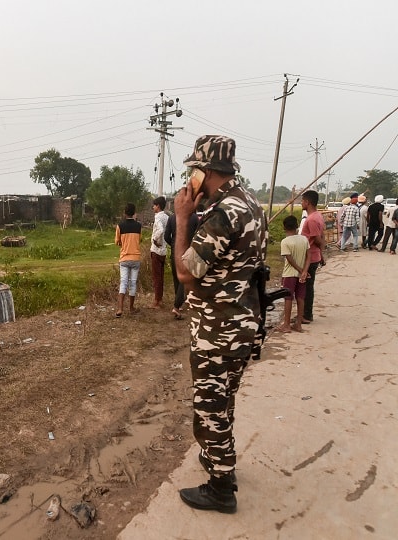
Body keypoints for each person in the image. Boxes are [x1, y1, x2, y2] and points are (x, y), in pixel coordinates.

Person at [173, 135, 267, 514]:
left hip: (218, 329)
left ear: (204, 171)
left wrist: (183, 218)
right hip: (243, 321)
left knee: (210, 406)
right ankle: (218, 460)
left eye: (193, 170)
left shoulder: (224, 212)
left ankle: (221, 488)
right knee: (223, 400)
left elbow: (184, 272)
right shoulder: (251, 203)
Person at [164, 206, 200, 320]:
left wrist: (174, 245)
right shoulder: (194, 218)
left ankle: (177, 302)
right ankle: (177, 305)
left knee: (176, 277)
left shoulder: (172, 218)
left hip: (175, 251)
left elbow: (166, 236)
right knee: (183, 281)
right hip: (188, 252)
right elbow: (198, 236)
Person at [276, 215, 310, 333]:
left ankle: (286, 324)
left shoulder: (285, 242)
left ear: (284, 227)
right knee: (301, 298)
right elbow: (308, 256)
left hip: (289, 274)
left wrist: (301, 270)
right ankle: (298, 324)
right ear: (296, 226)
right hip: (302, 275)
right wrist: (305, 271)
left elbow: (289, 259)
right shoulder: (304, 239)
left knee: (288, 298)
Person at [300, 190, 325, 324]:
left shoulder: (311, 219)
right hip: (314, 255)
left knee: (307, 287)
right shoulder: (318, 216)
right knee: (308, 286)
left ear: (307, 202)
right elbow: (322, 236)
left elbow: (316, 238)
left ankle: (306, 314)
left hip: (310, 257)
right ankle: (304, 313)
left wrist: (321, 252)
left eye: (302, 201)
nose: (301, 203)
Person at [114, 202, 141, 318]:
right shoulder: (138, 226)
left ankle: (120, 308)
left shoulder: (120, 226)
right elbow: (139, 240)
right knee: (133, 283)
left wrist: (123, 243)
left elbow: (117, 242)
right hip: (135, 258)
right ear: (134, 213)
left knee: (123, 282)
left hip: (124, 258)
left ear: (125, 213)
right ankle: (131, 308)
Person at [149, 196, 169, 309]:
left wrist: (155, 240)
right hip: (164, 250)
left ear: (158, 206)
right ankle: (160, 298)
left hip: (156, 250)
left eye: (154, 205)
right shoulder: (167, 217)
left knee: (156, 277)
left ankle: (157, 301)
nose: (153, 207)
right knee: (160, 276)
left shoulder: (158, 218)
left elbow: (160, 230)